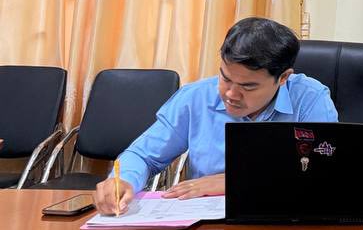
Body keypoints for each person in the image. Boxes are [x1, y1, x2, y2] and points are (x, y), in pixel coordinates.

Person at [93, 17, 337, 214]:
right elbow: (143, 155)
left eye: (248, 86)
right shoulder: (195, 98)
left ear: (283, 78)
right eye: (225, 78)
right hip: (207, 226)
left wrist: (235, 182)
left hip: (286, 221)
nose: (230, 94)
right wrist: (122, 180)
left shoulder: (309, 99)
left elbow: (324, 172)